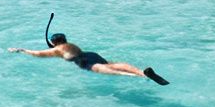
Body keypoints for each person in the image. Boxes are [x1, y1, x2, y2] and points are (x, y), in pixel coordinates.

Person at [9, 33, 168, 84]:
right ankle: (141, 71)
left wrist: (21, 50)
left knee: (111, 71)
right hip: (91, 54)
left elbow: (38, 54)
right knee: (115, 64)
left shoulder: (57, 49)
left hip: (85, 62)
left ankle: (141, 77)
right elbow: (65, 50)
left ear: (54, 42)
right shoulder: (69, 44)